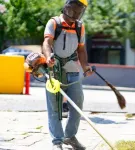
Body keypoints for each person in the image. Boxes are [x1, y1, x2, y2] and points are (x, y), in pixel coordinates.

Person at [42, 0, 92, 149]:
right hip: (54, 68)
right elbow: (47, 42)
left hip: (72, 67)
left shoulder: (79, 26)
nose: (75, 14)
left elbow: (81, 49)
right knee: (54, 107)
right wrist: (48, 56)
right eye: (73, 10)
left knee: (77, 104)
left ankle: (70, 137)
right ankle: (57, 141)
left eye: (79, 11)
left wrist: (85, 66)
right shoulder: (54, 23)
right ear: (66, 7)